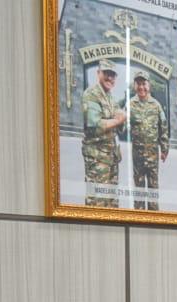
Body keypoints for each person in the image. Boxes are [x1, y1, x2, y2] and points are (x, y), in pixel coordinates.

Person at [81, 59, 126, 208]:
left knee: (112, 203)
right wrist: (118, 120)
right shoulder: (91, 94)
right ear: (98, 73)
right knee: (97, 203)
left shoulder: (111, 98)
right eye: (106, 73)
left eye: (113, 75)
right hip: (97, 159)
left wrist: (121, 120)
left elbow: (120, 126)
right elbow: (95, 126)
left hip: (111, 158)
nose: (110, 78)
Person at [124, 71, 169, 210]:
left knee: (153, 190)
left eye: (144, 83)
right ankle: (139, 216)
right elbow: (122, 124)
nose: (141, 87)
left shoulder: (156, 105)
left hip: (152, 156)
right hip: (137, 156)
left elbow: (163, 127)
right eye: (138, 84)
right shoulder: (130, 104)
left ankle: (153, 216)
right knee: (138, 190)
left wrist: (164, 149)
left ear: (149, 85)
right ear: (134, 85)